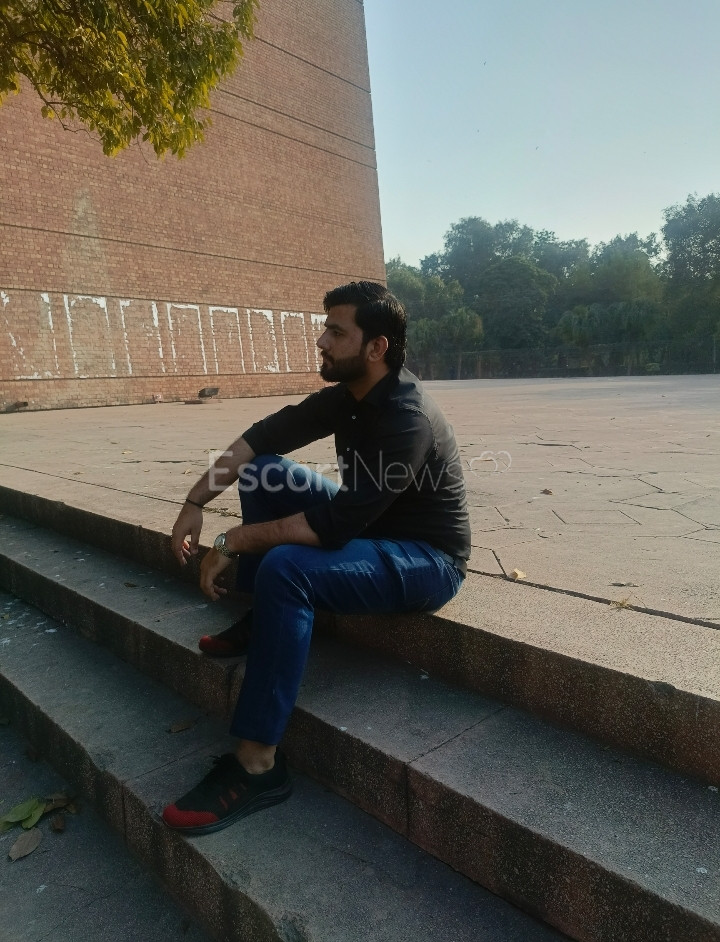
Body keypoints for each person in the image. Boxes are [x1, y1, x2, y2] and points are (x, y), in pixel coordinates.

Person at [162, 281, 470, 835]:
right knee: (263, 470)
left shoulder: (408, 416)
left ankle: (257, 766)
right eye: (324, 328)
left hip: (426, 560)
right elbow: (260, 439)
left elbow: (332, 526)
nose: (321, 340)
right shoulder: (349, 395)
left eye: (335, 331)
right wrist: (194, 501)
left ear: (376, 347)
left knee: (287, 568)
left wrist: (233, 540)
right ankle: (268, 617)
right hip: (368, 526)